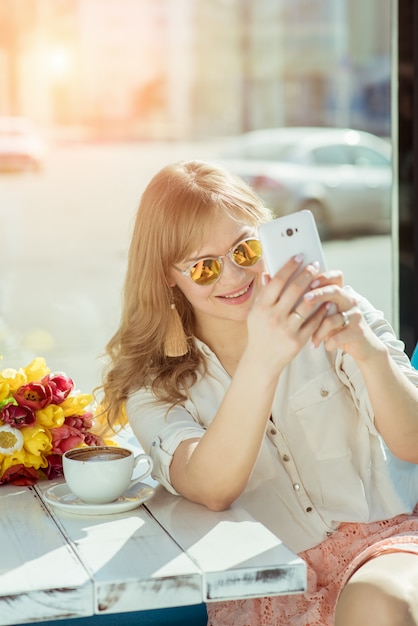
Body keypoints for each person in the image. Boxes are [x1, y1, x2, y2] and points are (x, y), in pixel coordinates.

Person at [100, 160, 418, 626]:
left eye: (244, 250)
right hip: (263, 585)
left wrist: (368, 352)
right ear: (168, 275)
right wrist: (263, 359)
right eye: (204, 267)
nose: (232, 276)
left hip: (385, 549)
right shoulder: (154, 388)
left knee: (375, 602)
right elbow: (211, 487)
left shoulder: (341, 312)